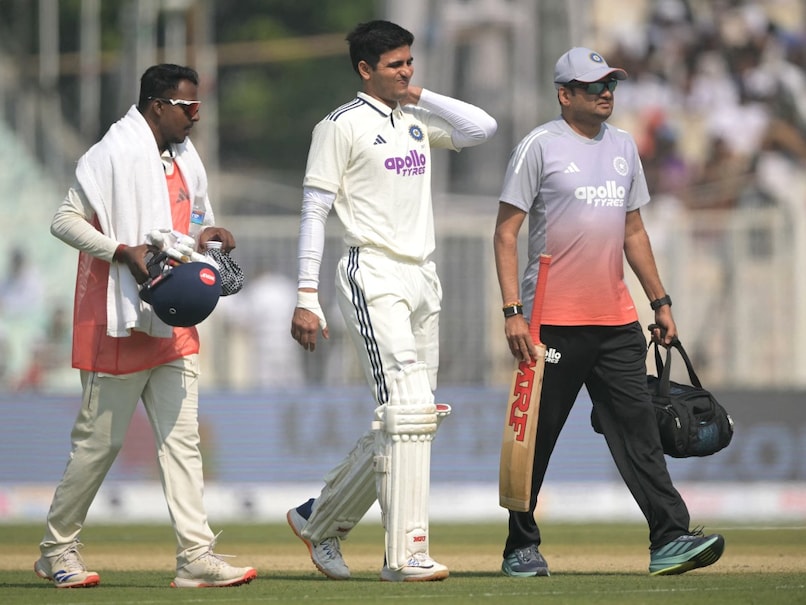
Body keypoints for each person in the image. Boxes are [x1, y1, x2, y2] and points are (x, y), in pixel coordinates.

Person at [492, 47, 725, 577]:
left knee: (640, 431)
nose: (606, 93)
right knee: (536, 440)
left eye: (611, 84)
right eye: (594, 85)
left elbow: (633, 231)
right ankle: (520, 547)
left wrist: (660, 302)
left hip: (617, 321)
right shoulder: (538, 146)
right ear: (564, 94)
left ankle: (670, 538)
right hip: (550, 323)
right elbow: (505, 234)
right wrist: (512, 311)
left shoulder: (623, 146)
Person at [287, 20, 497, 582]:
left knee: (416, 418)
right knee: (405, 412)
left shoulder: (414, 119)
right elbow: (314, 211)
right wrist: (306, 294)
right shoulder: (339, 126)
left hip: (423, 275)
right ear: (364, 70)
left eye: (409, 62)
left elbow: (482, 128)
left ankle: (319, 518)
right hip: (372, 271)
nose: (406, 72)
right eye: (394, 65)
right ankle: (406, 555)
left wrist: (417, 94)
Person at [35, 64, 256, 589]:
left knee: (183, 444)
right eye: (188, 107)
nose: (195, 117)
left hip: (172, 320)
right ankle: (56, 550)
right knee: (98, 446)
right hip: (120, 318)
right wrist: (121, 251)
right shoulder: (111, 153)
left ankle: (196, 557)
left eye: (198, 106)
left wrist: (208, 235)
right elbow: (63, 220)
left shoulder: (185, 158)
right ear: (158, 106)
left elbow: (190, 224)